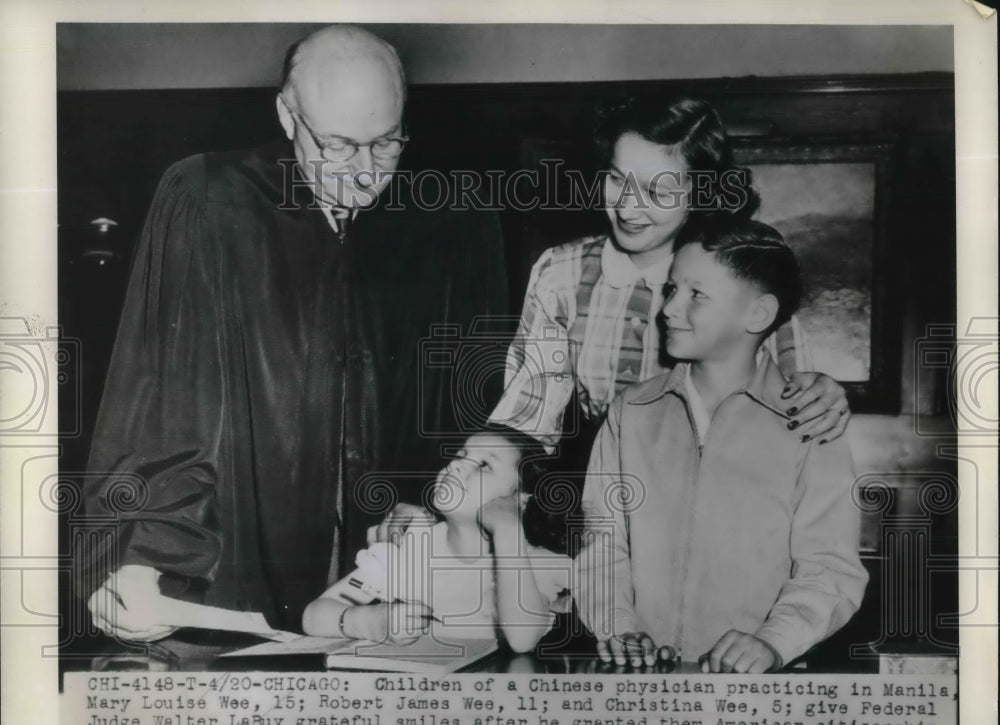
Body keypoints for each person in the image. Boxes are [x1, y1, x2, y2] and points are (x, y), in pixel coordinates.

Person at [78, 25, 506, 646]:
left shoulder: (451, 223)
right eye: (337, 145)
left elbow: (472, 407)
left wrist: (435, 506)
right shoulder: (211, 203)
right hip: (231, 575)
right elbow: (165, 404)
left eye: (385, 145)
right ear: (287, 115)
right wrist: (146, 563)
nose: (363, 175)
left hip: (386, 589)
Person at [370, 95, 851, 544]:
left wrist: (821, 393)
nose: (628, 205)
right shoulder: (563, 272)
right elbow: (524, 422)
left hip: (723, 526)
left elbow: (799, 406)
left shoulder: (742, 275)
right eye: (618, 179)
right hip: (605, 527)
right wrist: (439, 514)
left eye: (658, 190)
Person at [574, 217, 868, 673]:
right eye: (672, 289)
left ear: (758, 314)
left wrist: (772, 643)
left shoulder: (810, 419)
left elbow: (830, 565)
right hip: (639, 680)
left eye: (697, 294)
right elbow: (601, 540)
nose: (668, 309)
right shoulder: (630, 413)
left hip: (762, 691)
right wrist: (616, 626)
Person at [303, 425, 570, 653]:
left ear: (521, 500)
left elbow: (522, 640)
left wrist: (508, 528)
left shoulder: (533, 563)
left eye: (484, 465)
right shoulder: (413, 546)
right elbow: (313, 615)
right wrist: (368, 620)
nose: (455, 464)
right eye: (460, 455)